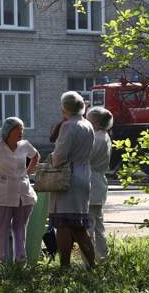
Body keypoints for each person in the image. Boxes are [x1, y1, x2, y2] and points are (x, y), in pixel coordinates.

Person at [0, 117, 39, 263]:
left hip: (24, 195)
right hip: (2, 196)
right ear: (8, 131)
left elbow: (35, 155)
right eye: (18, 130)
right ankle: (2, 261)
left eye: (22, 130)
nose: (21, 133)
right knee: (2, 230)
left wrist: (28, 171)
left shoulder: (25, 145)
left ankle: (20, 260)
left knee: (20, 229)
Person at [48, 91, 96, 268]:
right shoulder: (88, 124)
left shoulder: (68, 126)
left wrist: (51, 158)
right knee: (79, 226)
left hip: (68, 177)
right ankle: (92, 265)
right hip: (84, 175)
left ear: (64, 107)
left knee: (63, 224)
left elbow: (60, 156)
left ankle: (65, 266)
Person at [85, 106, 113, 261]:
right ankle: (103, 256)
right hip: (100, 183)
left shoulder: (95, 137)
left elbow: (85, 157)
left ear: (94, 121)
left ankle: (89, 259)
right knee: (98, 224)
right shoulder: (106, 136)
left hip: (91, 183)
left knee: (88, 225)